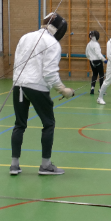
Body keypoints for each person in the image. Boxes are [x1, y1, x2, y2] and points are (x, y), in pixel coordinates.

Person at [10, 12, 74, 175]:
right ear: (59, 29)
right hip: (37, 86)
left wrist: (18, 82)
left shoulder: (25, 37)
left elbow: (17, 62)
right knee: (48, 123)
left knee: (19, 124)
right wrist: (62, 89)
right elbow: (49, 73)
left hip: (18, 85)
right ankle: (45, 165)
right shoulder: (52, 43)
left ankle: (14, 165)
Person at [85, 31, 105, 97]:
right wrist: (104, 60)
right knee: (101, 74)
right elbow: (98, 54)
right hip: (98, 61)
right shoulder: (96, 44)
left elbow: (87, 54)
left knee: (94, 74)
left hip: (92, 61)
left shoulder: (88, 44)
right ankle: (101, 89)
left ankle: (92, 88)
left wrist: (91, 59)